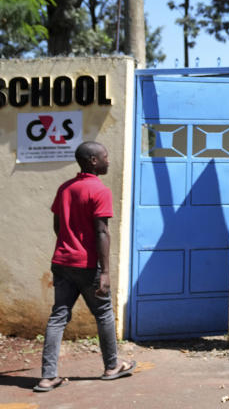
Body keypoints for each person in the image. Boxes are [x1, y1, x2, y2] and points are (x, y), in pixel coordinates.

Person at [34, 141, 136, 392]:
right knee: (103, 314)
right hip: (88, 265)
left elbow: (58, 226)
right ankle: (112, 367)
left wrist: (68, 244)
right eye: (105, 157)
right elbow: (102, 232)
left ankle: (48, 377)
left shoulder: (65, 188)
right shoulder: (99, 190)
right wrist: (105, 272)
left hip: (61, 262)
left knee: (58, 316)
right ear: (92, 161)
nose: (108, 161)